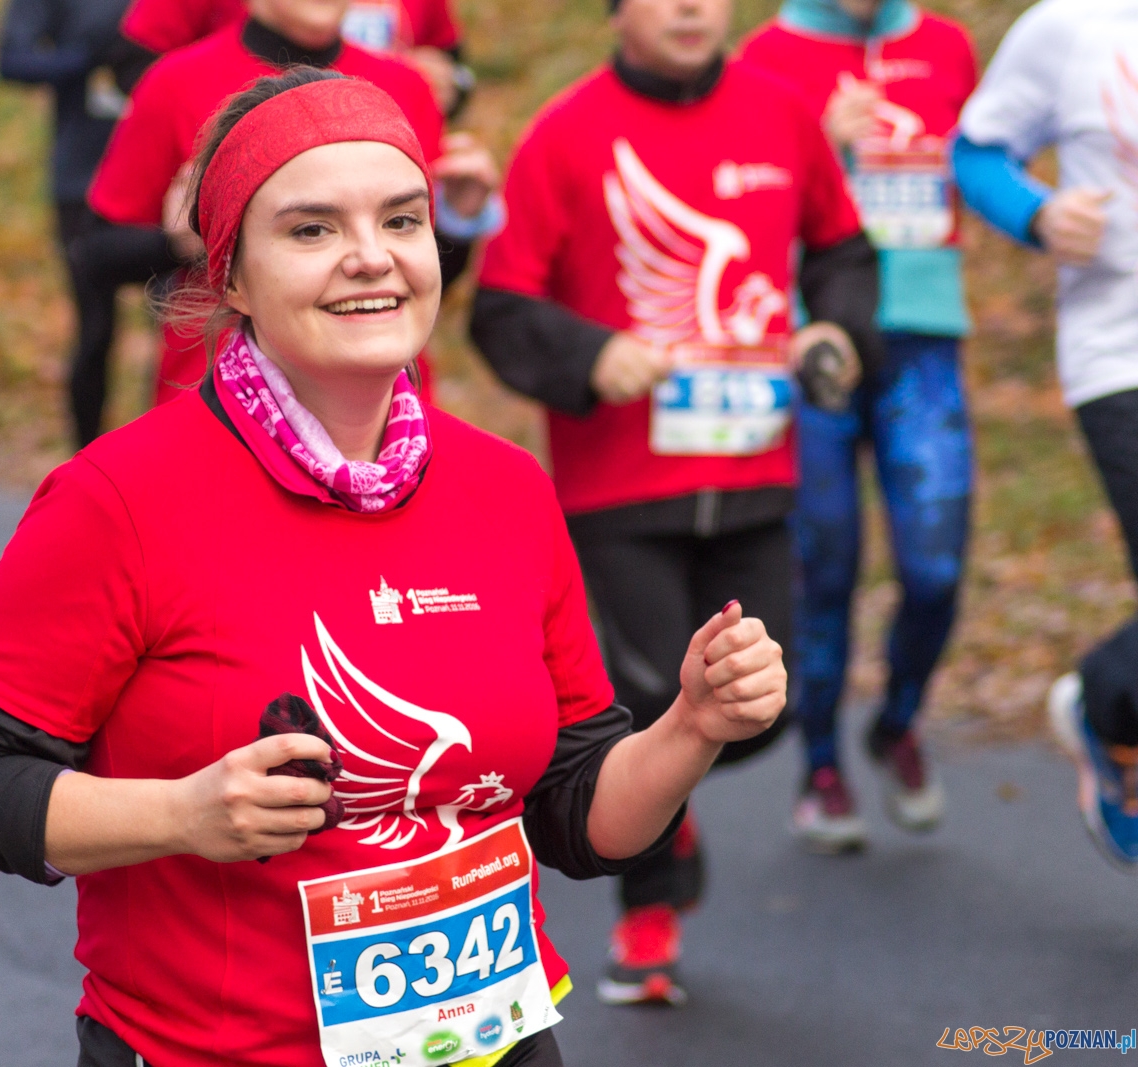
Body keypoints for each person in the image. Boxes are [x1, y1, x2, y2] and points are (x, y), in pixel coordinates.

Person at [0, 69, 788, 1066]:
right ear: (231, 275)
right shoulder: (120, 498)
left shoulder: (506, 488)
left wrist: (691, 727)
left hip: (491, 1044)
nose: (371, 258)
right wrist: (181, 812)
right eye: (312, 229)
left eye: (401, 220)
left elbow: (577, 813)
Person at [470, 0, 881, 1005]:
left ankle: (666, 788)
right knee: (648, 700)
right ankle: (650, 910)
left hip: (754, 475)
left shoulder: (783, 114)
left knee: (754, 709)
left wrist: (836, 333)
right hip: (619, 492)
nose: (692, 6)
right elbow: (500, 307)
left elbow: (842, 251)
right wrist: (589, 353)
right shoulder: (566, 133)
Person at [738, 0, 978, 852]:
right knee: (825, 562)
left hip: (921, 341)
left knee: (936, 565)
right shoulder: (765, 55)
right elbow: (745, 206)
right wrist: (822, 147)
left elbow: (981, 166)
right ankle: (824, 766)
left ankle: (898, 721)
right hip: (820, 340)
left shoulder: (946, 45)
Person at [71, 0, 500, 444]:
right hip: (217, 421)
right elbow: (95, 254)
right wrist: (183, 244)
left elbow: (418, 281)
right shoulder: (175, 82)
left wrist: (456, 221)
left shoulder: (406, 86)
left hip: (385, 428)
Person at [952, 0, 1138, 869]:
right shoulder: (1071, 26)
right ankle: (1114, 705)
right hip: (1123, 355)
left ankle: (1113, 698)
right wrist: (1037, 214)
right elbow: (976, 152)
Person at [0, 0, 130, 453]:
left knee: (187, 326)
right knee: (95, 329)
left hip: (169, 174)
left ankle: (185, 464)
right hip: (83, 181)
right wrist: (84, 57)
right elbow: (11, 60)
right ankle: (87, 463)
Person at [114, 0, 473, 114]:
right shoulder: (178, 78)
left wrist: (449, 87)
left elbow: (454, 70)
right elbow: (131, 69)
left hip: (380, 166)